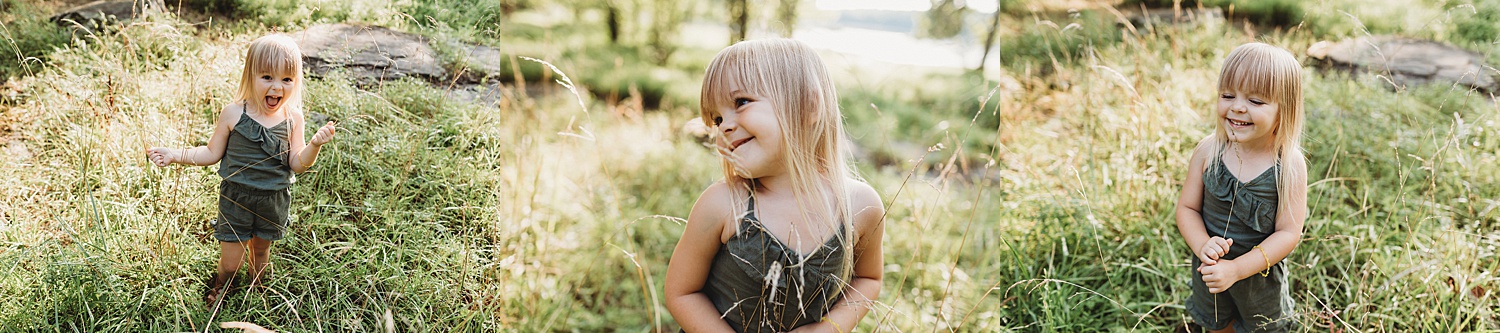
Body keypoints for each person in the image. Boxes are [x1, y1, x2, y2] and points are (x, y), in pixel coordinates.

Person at [664, 39, 885, 333]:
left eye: (741, 102)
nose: (724, 127)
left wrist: (828, 327)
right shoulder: (724, 204)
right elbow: (682, 292)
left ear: (808, 106)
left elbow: (868, 280)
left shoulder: (860, 206)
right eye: (717, 119)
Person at [146, 34, 337, 308]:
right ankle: (222, 288)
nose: (277, 87)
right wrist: (175, 154)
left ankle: (257, 290)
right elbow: (211, 153)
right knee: (231, 260)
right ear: (250, 76)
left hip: (273, 200)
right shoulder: (234, 113)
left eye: (287, 79)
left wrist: (314, 146)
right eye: (267, 77)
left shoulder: (293, 118)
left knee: (261, 251)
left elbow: (297, 163)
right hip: (236, 199)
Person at [1175, 42, 1308, 332]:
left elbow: (1288, 232)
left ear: (1283, 110)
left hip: (1258, 283)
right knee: (1216, 324)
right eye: (1227, 95)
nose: (1237, 106)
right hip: (1208, 270)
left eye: (1256, 101)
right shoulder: (1208, 151)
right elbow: (1186, 208)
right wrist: (1202, 246)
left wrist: (1236, 269)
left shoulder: (1288, 165)